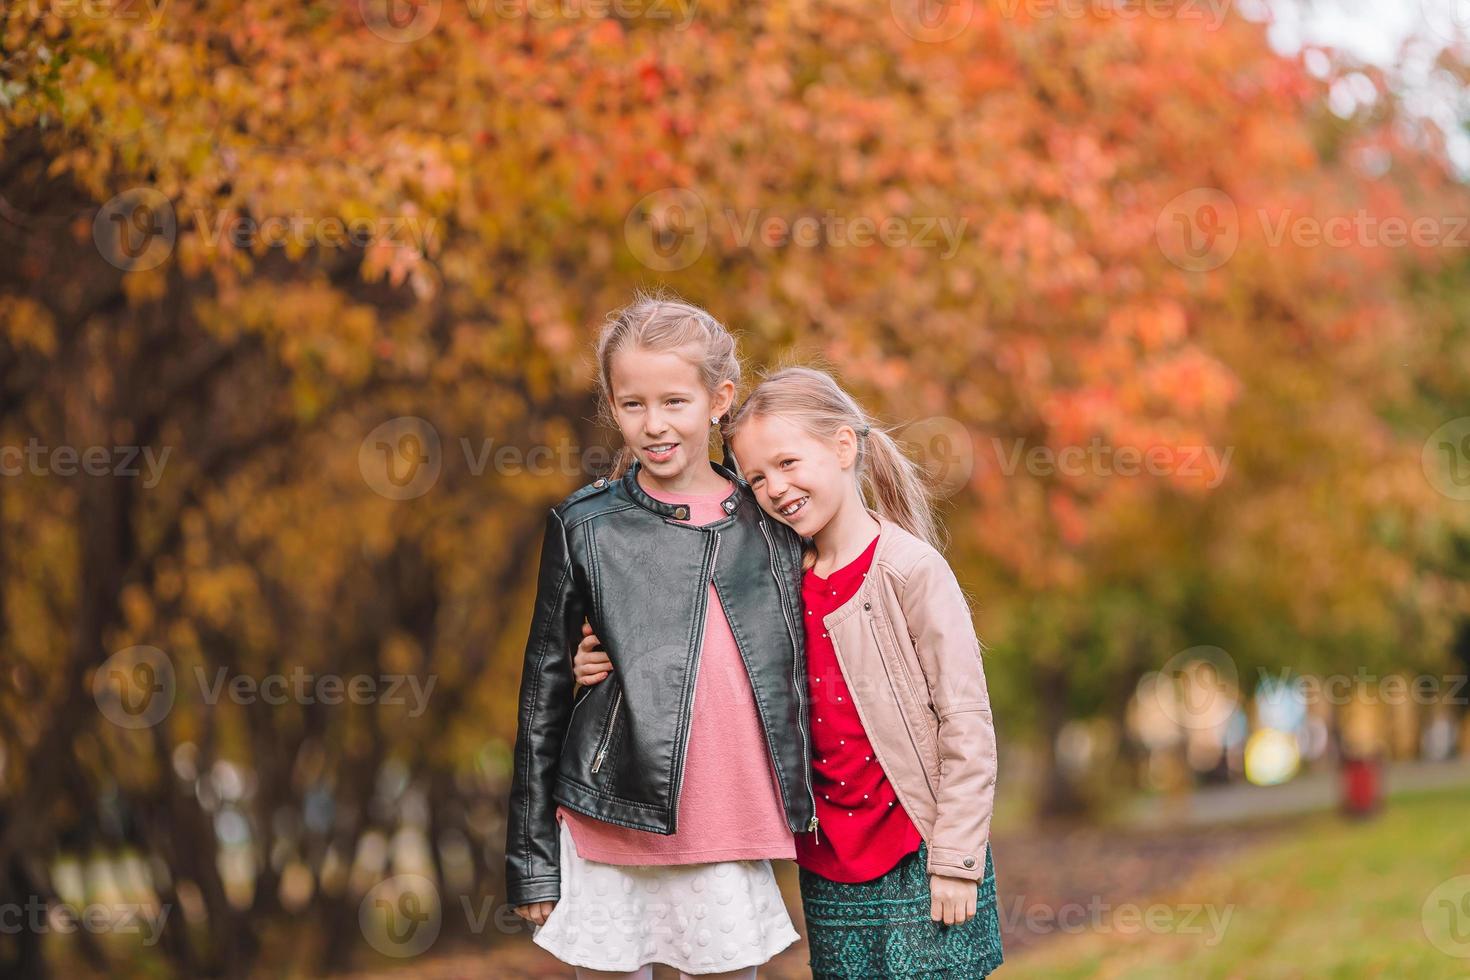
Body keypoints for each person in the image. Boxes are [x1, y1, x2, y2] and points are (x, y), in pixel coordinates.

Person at [574, 365, 1005, 978]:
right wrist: (600, 655)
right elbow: (693, 653)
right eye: (755, 477)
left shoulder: (909, 570)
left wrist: (957, 859)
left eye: (787, 463)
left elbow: (965, 722)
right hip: (828, 859)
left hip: (921, 852)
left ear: (843, 446)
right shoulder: (775, 579)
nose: (774, 488)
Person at [506, 294, 817, 979]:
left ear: (718, 398)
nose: (654, 425)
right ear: (610, 404)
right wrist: (532, 863)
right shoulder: (585, 527)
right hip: (608, 825)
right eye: (631, 404)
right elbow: (543, 695)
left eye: (674, 401)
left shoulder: (776, 525)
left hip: (729, 825)